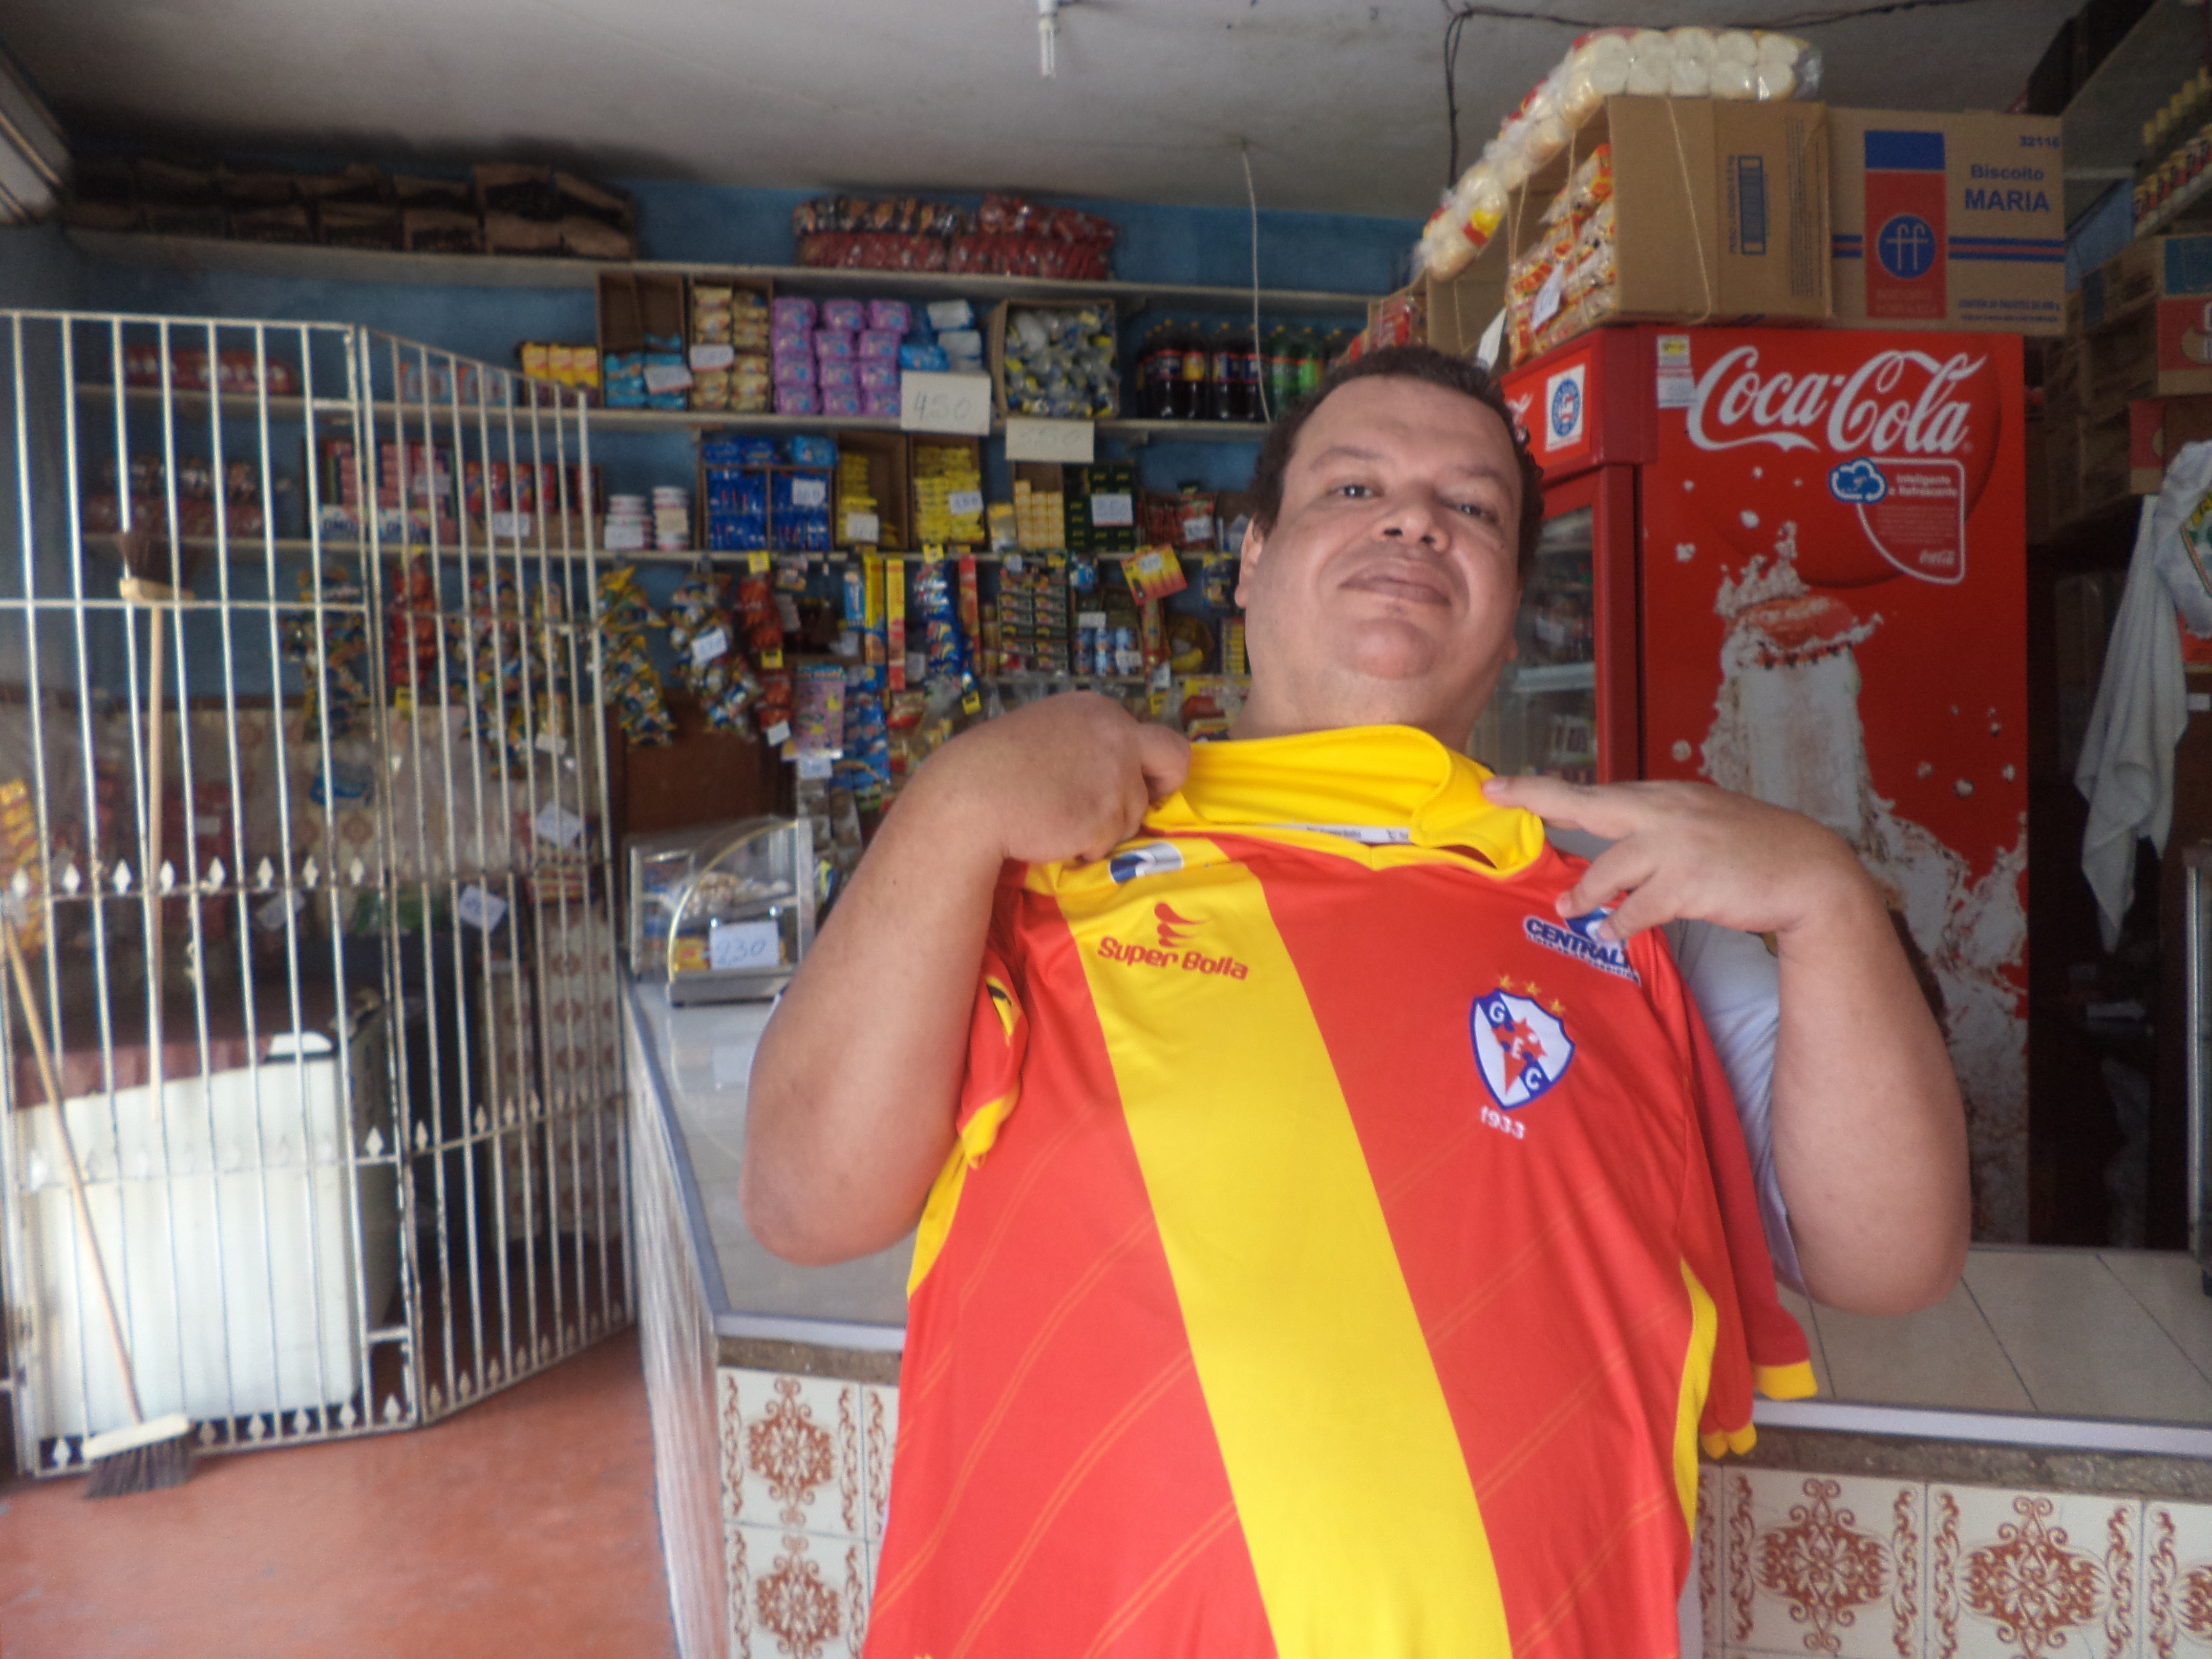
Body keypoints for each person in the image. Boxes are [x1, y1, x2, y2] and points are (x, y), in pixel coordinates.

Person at [744, 344, 1969, 1656]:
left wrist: (1828, 899)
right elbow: (808, 1202)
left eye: (1472, 506)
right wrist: (948, 809)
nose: (1415, 520)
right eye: (1354, 487)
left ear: (1512, 613)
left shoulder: (1632, 904)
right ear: (1251, 559)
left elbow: (1891, 1263)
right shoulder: (1041, 858)